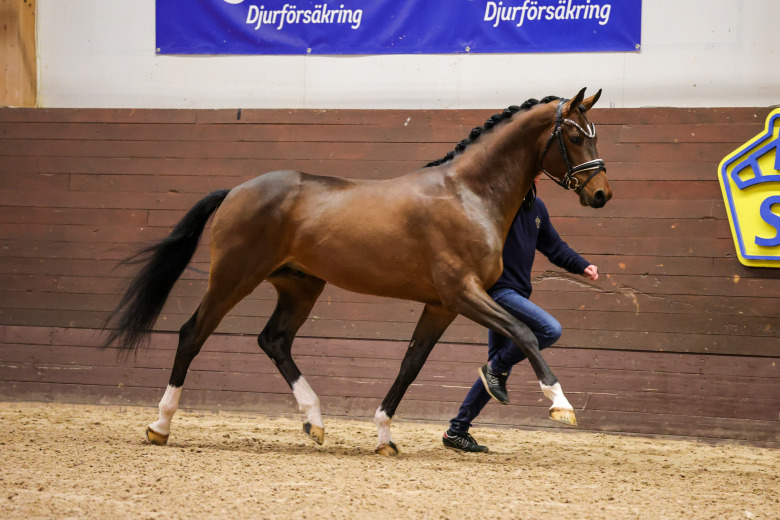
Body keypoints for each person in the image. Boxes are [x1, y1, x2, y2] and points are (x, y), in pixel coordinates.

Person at [442, 174, 599, 453]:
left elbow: (555, 247)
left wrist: (581, 265)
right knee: (549, 329)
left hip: (517, 295)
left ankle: (457, 430)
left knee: (495, 371)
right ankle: (495, 370)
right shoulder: (499, 204)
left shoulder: (537, 208)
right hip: (498, 292)